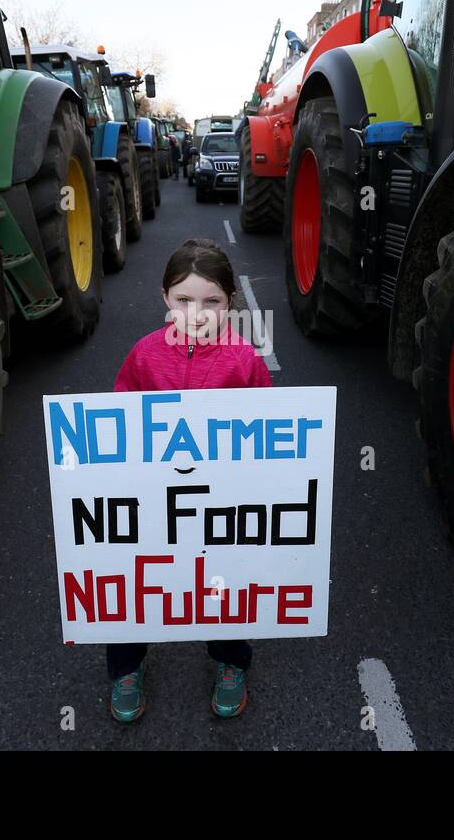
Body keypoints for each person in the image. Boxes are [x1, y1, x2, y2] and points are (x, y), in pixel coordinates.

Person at [106, 238, 273, 722]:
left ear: (230, 303)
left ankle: (230, 660)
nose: (196, 314)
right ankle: (125, 667)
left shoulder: (245, 361)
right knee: (132, 577)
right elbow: (115, 418)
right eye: (183, 300)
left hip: (220, 501)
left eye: (212, 302)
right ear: (164, 298)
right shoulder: (142, 355)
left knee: (221, 580)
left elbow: (269, 433)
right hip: (153, 497)